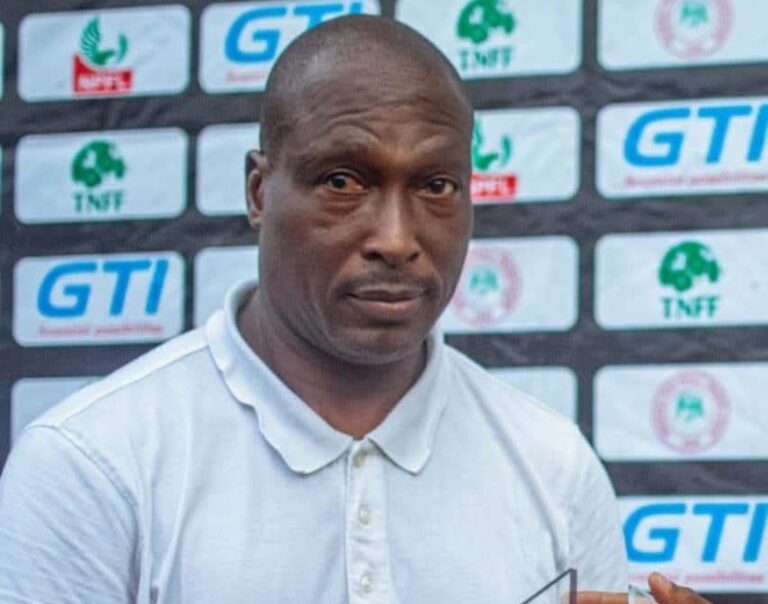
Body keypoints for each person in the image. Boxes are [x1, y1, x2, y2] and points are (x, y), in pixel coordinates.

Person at [0, 15, 632, 603]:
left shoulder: (555, 468)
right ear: (259, 192)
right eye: (342, 182)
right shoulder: (91, 466)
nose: (396, 240)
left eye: (436, 186)